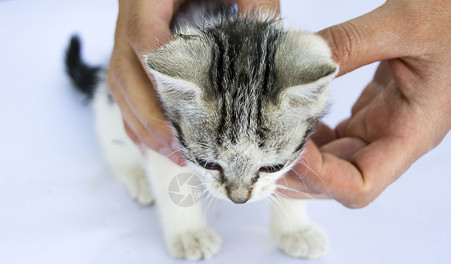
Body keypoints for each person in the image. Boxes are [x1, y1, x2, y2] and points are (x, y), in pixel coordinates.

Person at [106, 0, 451, 208]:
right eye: (211, 163)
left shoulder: (299, 96)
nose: (239, 194)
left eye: (269, 168)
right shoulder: (180, 86)